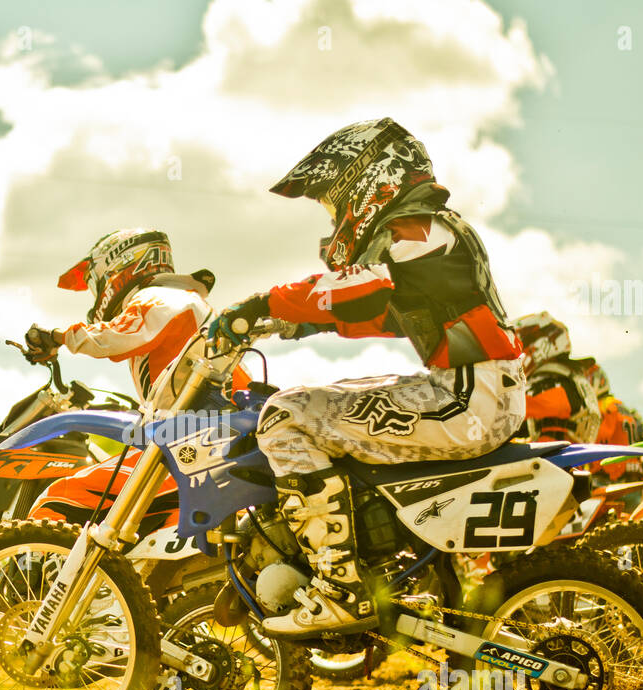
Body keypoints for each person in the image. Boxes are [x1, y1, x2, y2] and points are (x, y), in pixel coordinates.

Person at [204, 118, 526, 636]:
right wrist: (294, 323)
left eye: (334, 202)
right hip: (478, 390)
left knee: (286, 415)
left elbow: (363, 292)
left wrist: (261, 302)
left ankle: (342, 587)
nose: (334, 218)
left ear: (368, 179)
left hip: (468, 397)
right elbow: (388, 314)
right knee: (318, 405)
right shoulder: (434, 229)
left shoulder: (418, 226)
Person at [22, 229, 245, 523]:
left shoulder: (160, 297)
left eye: (95, 283)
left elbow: (116, 335)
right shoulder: (185, 301)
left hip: (196, 446)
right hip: (215, 442)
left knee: (57, 500)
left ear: (118, 266)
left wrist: (59, 337)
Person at [514, 312, 602, 444]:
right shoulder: (570, 375)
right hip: (565, 453)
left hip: (552, 455)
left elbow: (516, 406)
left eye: (524, 342)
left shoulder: (553, 378)